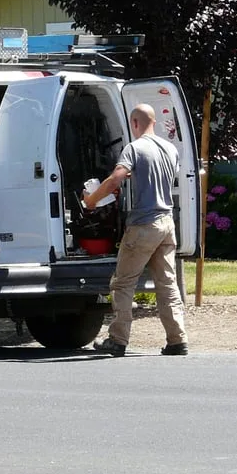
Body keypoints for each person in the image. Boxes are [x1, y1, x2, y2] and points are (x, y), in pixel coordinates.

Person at [83, 103, 188, 357]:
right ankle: (177, 340)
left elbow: (117, 177)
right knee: (167, 284)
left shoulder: (134, 148)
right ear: (154, 122)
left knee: (123, 283)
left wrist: (92, 199)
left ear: (134, 123)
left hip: (143, 224)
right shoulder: (170, 149)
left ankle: (118, 340)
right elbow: (158, 177)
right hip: (166, 223)